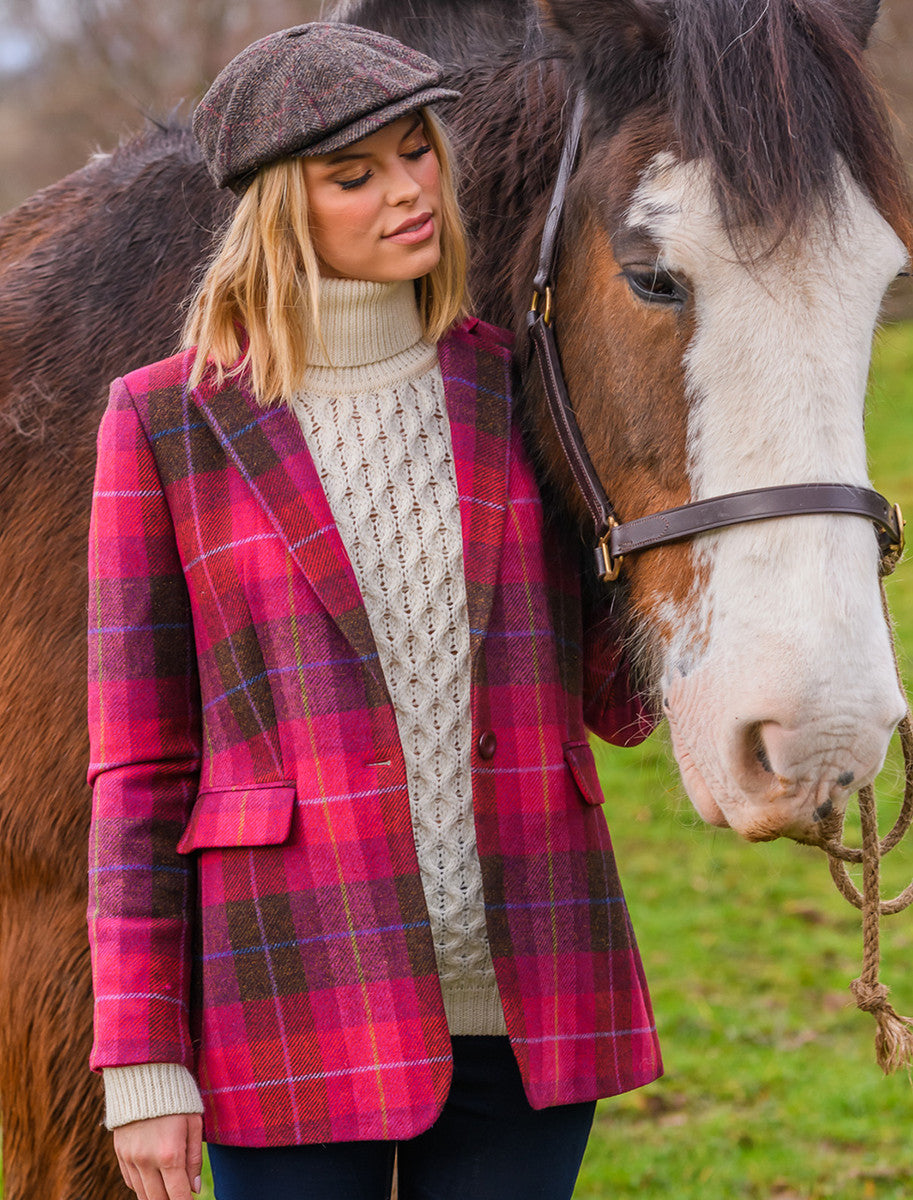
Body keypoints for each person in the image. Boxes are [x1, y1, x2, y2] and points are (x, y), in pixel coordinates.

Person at [86, 22, 661, 1200]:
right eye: (354, 175)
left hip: (532, 993)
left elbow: (616, 699)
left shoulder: (518, 382)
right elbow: (138, 767)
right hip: (293, 993)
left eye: (416, 152)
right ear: (276, 210)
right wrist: (142, 1053)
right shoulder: (163, 424)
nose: (407, 191)